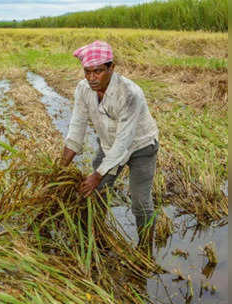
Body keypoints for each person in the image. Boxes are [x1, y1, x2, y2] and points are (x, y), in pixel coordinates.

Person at [59, 40, 159, 254]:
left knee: (140, 201)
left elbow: (124, 142)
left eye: (98, 71)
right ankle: (97, 239)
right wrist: (60, 169)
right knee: (96, 194)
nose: (92, 78)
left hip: (141, 147)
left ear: (111, 68)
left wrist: (98, 174)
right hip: (109, 145)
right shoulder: (83, 89)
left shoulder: (130, 94)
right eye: (87, 72)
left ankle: (144, 249)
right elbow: (77, 127)